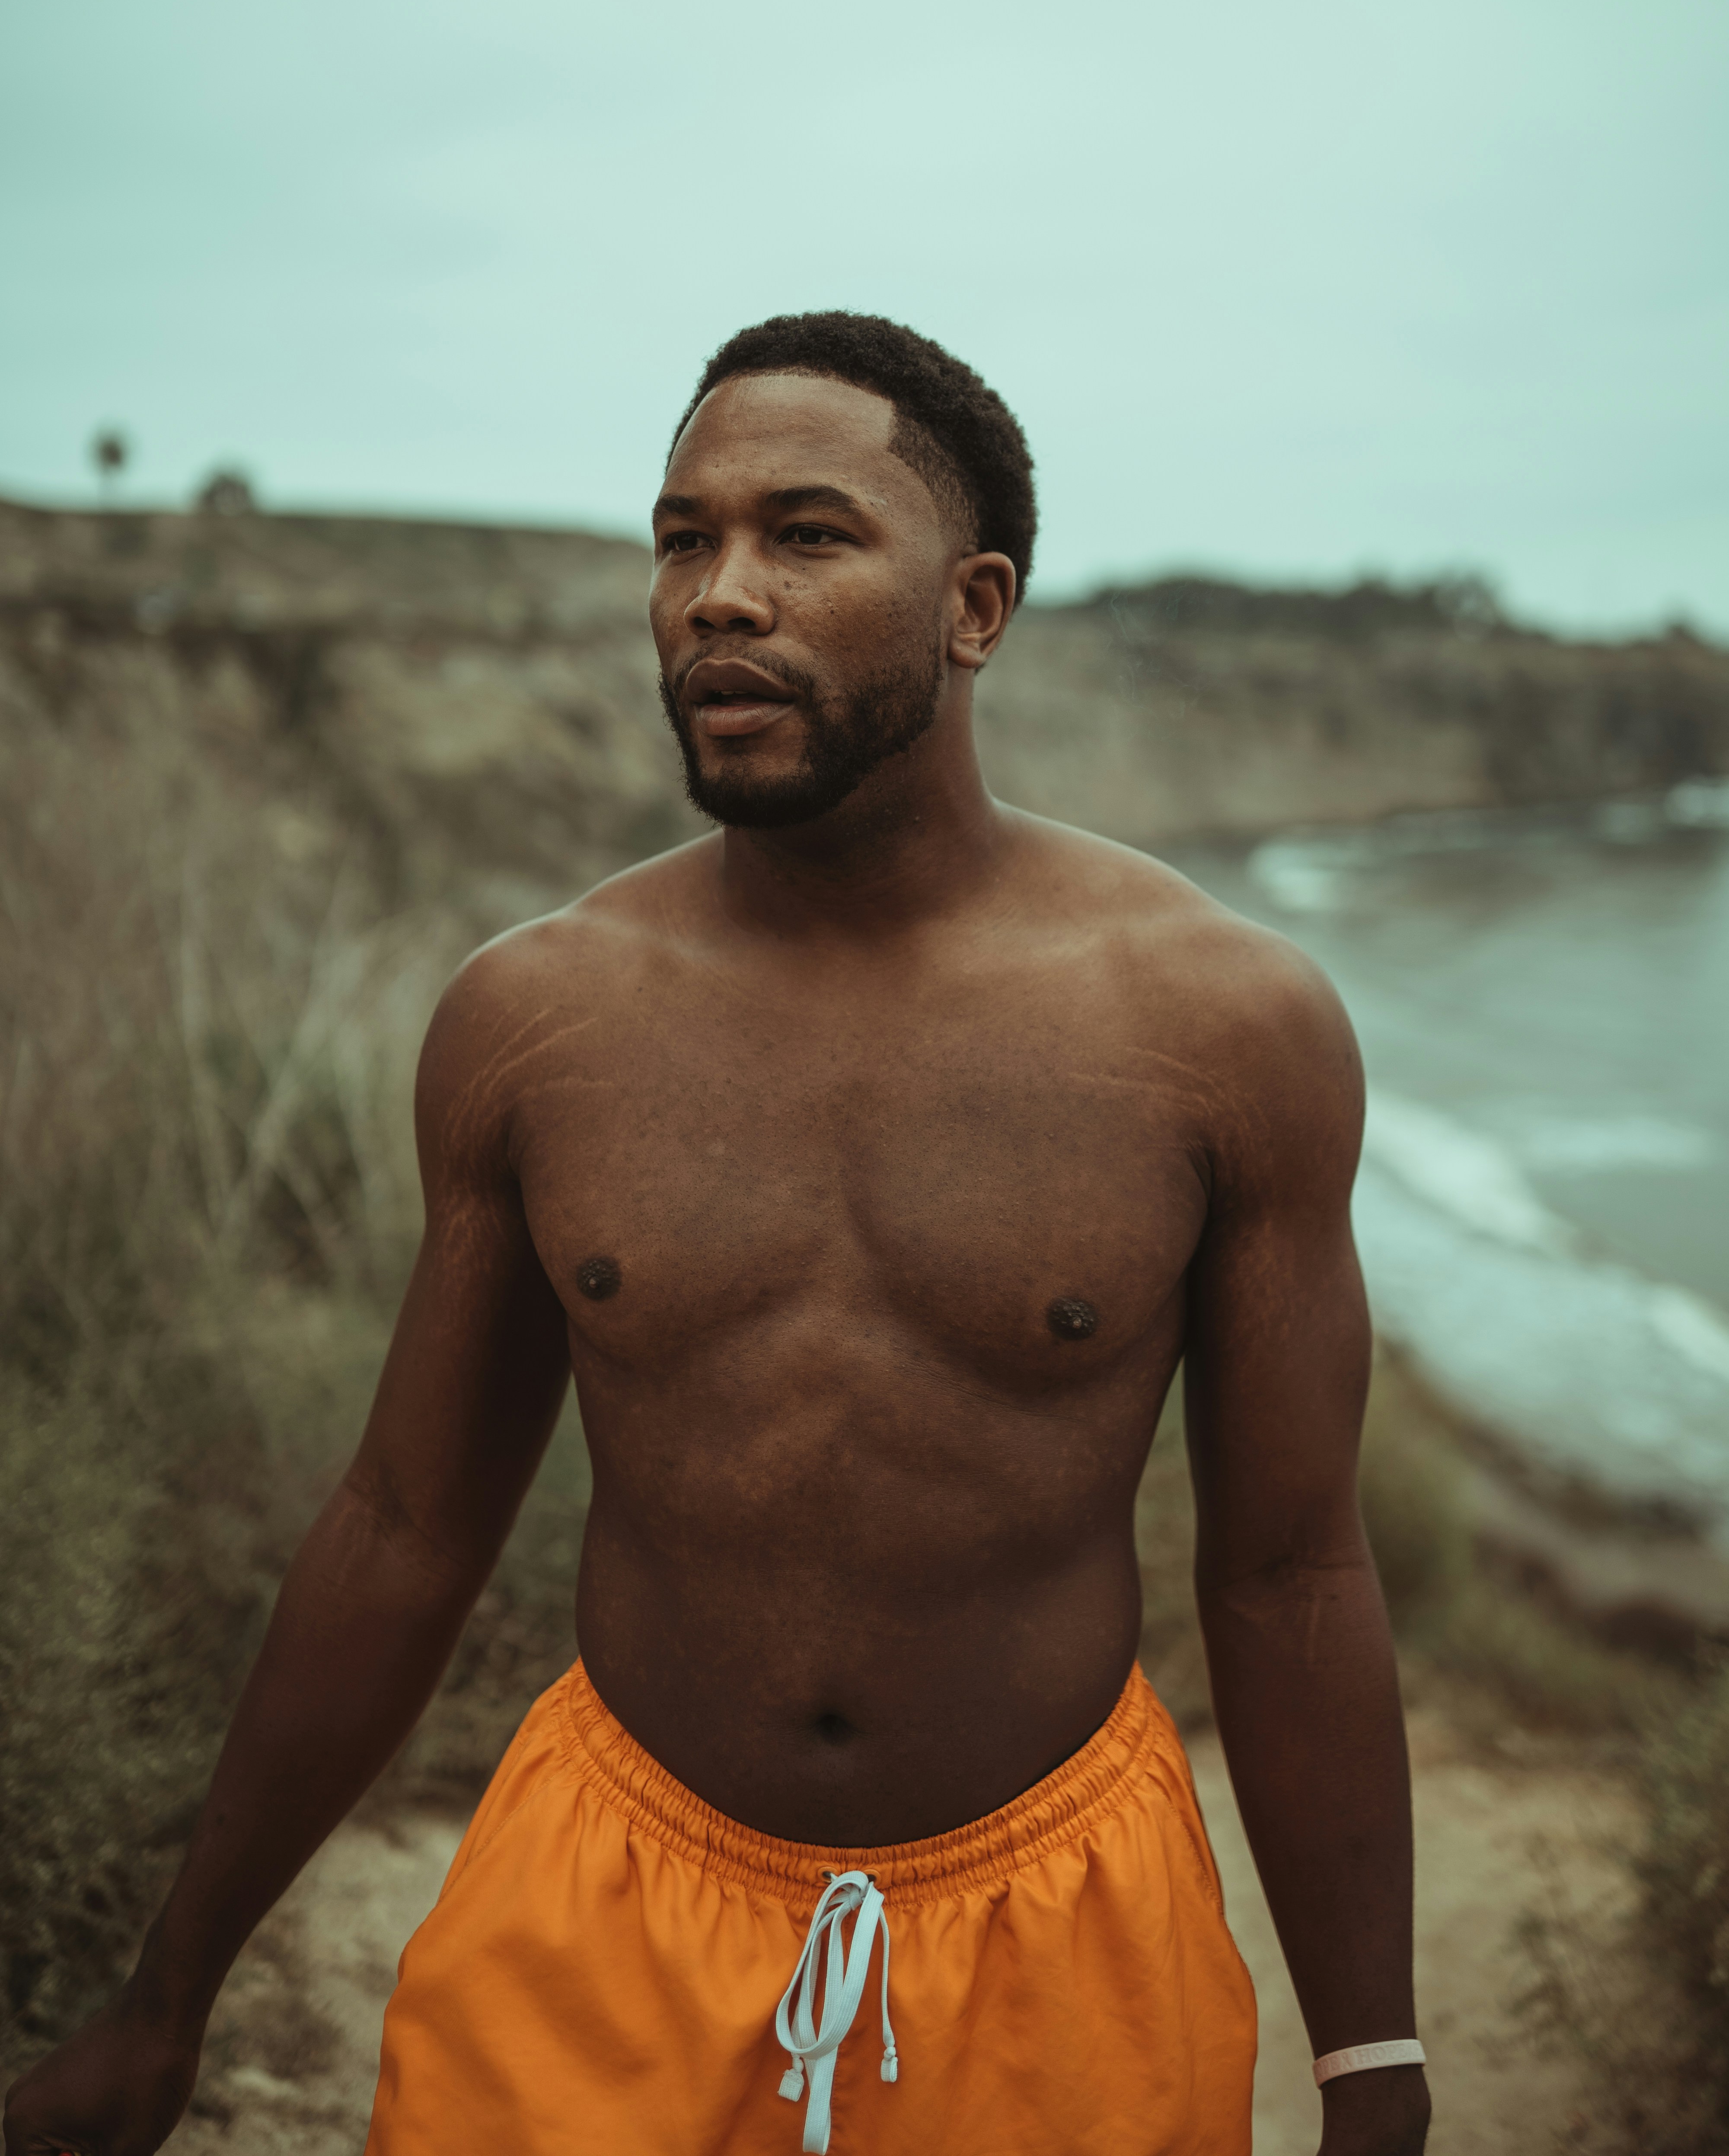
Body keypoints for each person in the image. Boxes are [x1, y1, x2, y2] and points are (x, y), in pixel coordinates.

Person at [4, 313, 1429, 2156]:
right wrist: (163, 1994)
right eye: (685, 539)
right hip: (599, 1904)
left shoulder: (1220, 1029)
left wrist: (1370, 2066)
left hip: (1055, 1925)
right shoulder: (540, 1018)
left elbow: (1294, 1575)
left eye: (808, 535)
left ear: (974, 605)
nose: (718, 596)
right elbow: (403, 1525)